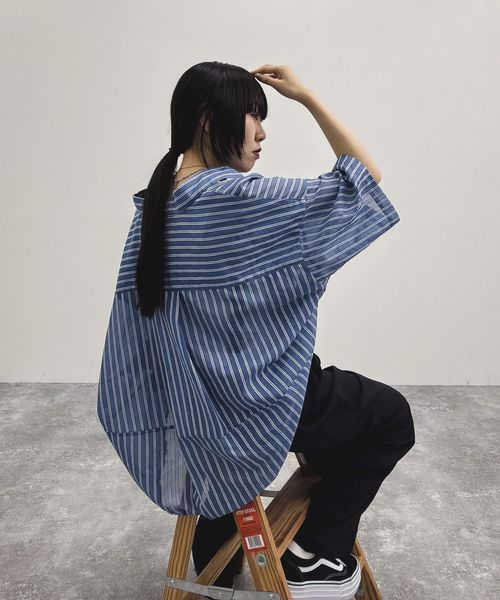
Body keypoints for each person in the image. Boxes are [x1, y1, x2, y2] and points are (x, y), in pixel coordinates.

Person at [96, 61, 415, 600]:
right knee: (390, 416)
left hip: (191, 411)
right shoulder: (240, 198)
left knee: (225, 420)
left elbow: (141, 330)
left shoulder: (156, 205)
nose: (262, 132)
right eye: (253, 115)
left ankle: (215, 573)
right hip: (254, 404)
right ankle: (315, 554)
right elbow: (364, 178)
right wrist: (308, 97)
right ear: (207, 119)